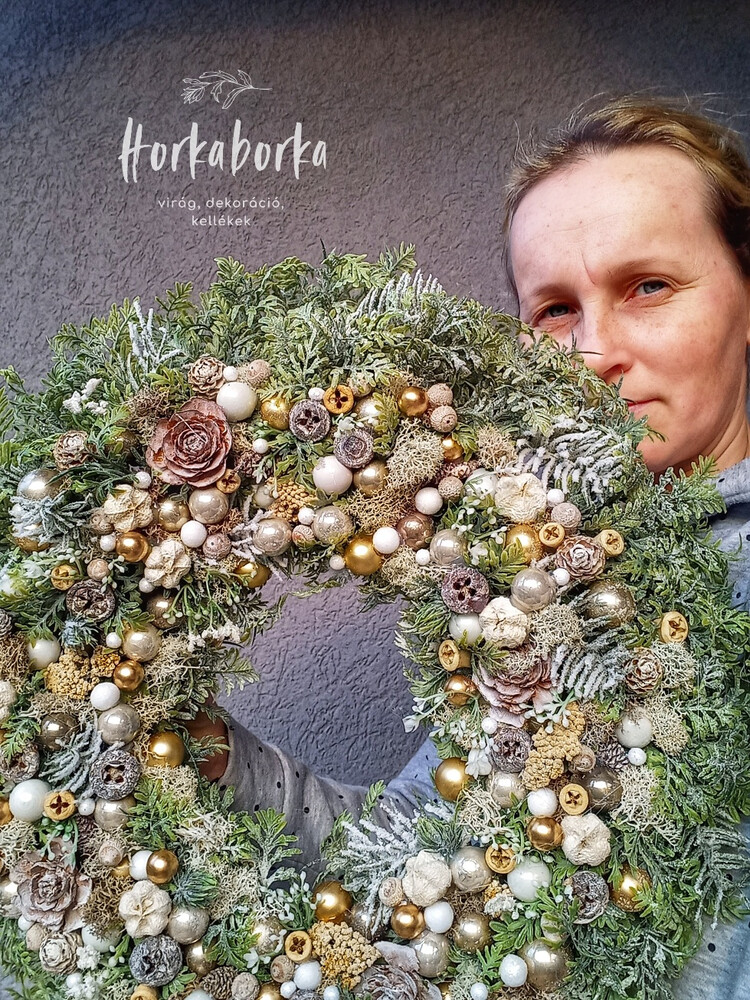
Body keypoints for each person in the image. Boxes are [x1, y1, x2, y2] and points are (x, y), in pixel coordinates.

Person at [189, 93, 750, 994]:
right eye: (555, 310)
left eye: (649, 286)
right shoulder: (528, 585)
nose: (596, 350)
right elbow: (401, 866)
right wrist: (214, 756)